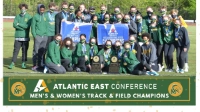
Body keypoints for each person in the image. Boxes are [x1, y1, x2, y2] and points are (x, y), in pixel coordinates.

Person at [8, 3, 32, 69]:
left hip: (25, 37)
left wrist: (19, 24)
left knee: (24, 51)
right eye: (21, 9)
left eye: (24, 9)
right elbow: (14, 25)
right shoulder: (17, 16)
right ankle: (13, 63)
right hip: (17, 37)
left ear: (26, 9)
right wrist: (22, 27)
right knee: (15, 51)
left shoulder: (29, 17)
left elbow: (27, 26)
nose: (22, 10)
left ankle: (23, 63)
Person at [31, 4, 48, 70]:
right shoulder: (35, 17)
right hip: (38, 36)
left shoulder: (45, 16)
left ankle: (40, 64)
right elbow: (33, 27)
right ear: (38, 9)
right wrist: (34, 35)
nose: (42, 11)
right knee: (36, 51)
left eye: (43, 10)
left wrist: (46, 34)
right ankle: (34, 65)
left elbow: (46, 26)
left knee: (42, 51)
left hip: (45, 36)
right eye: (41, 10)